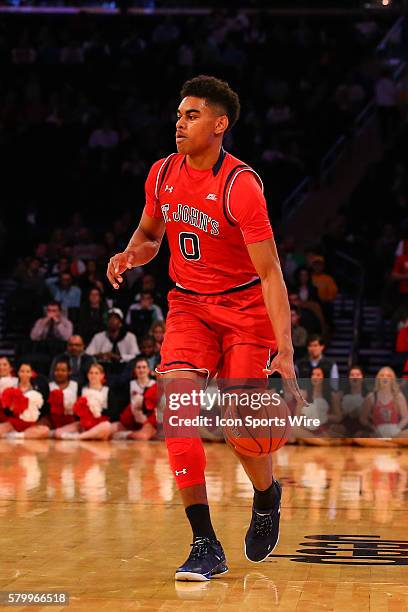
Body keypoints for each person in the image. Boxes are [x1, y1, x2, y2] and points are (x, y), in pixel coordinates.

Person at [107, 75, 303, 581]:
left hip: (244, 311)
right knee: (176, 414)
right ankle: (204, 542)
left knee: (244, 429)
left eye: (191, 115)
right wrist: (133, 254)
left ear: (220, 124)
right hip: (188, 306)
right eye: (178, 115)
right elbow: (151, 235)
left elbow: (270, 274)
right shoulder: (162, 173)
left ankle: (266, 494)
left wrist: (285, 351)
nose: (179, 123)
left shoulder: (241, 186)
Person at [55, 364, 119, 440]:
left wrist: (96, 411)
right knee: (58, 432)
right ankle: (86, 435)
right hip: (84, 423)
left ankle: (79, 437)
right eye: (91, 373)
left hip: (100, 424)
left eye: (96, 373)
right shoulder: (82, 389)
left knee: (107, 426)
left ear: (102, 376)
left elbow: (114, 412)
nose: (93, 375)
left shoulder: (107, 390)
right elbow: (76, 410)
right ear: (88, 375)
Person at [357, 367, 408, 444]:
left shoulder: (398, 396)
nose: (385, 377)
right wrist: (373, 428)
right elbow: (363, 418)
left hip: (395, 433)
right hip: (377, 433)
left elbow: (406, 417)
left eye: (388, 376)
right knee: (359, 435)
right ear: (378, 379)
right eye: (382, 375)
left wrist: (396, 429)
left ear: (392, 379)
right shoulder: (371, 397)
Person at [112, 357, 158, 441]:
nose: (141, 370)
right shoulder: (129, 384)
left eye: (144, 367)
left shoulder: (154, 384)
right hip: (132, 417)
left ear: (148, 370)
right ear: (135, 370)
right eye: (139, 367)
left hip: (149, 418)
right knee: (111, 429)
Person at [0, 362, 49, 439]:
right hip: (14, 422)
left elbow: (41, 408)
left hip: (29, 424)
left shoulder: (36, 389)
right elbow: (6, 410)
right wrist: (11, 408)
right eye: (22, 371)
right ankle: (16, 434)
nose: (24, 374)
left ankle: (17, 435)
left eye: (27, 371)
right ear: (18, 373)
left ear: (31, 373)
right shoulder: (12, 388)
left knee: (45, 430)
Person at [48, 358, 79, 430]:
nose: (60, 373)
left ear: (69, 372)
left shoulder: (76, 385)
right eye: (57, 370)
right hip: (52, 421)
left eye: (63, 370)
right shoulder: (49, 386)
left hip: (71, 420)